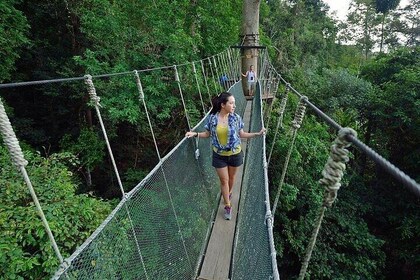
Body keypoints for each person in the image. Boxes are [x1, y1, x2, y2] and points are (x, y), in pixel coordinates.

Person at [185, 92, 266, 220]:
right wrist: (195, 134)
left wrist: (257, 134)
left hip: (235, 154)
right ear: (223, 105)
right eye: (231, 103)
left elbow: (242, 134)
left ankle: (228, 193)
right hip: (219, 155)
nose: (234, 105)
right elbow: (207, 134)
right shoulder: (212, 118)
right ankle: (228, 205)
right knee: (224, 180)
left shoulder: (236, 118)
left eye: (234, 103)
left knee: (232, 178)